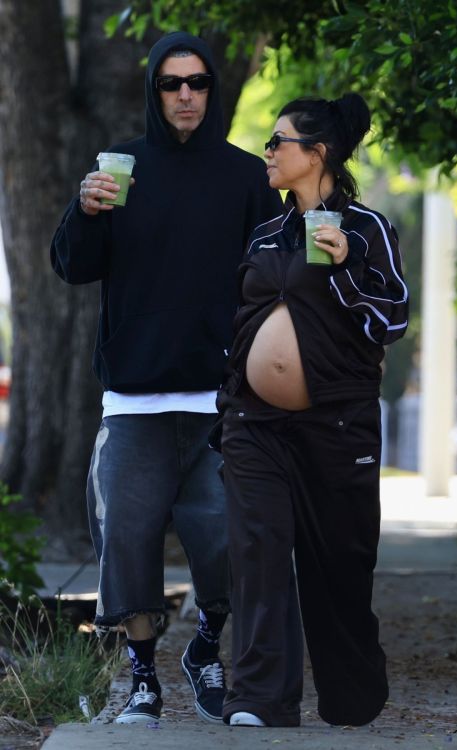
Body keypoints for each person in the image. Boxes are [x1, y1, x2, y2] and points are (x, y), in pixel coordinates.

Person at [50, 31, 283, 725]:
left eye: (198, 83)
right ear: (155, 93)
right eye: (171, 84)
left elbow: (271, 283)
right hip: (134, 402)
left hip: (221, 404)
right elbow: (72, 264)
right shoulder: (121, 170)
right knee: (126, 539)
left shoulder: (246, 177)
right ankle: (142, 679)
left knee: (227, 541)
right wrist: (85, 209)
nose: (186, 94)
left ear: (212, 91)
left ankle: (206, 649)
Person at [216, 93, 409, 728]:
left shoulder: (366, 229)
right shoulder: (267, 231)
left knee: (340, 565)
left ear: (316, 153)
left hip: (336, 425)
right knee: (257, 551)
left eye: (278, 142)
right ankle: (259, 698)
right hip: (257, 426)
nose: (267, 153)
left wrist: (346, 269)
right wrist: (233, 391)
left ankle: (350, 692)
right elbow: (245, 316)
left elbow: (393, 319)